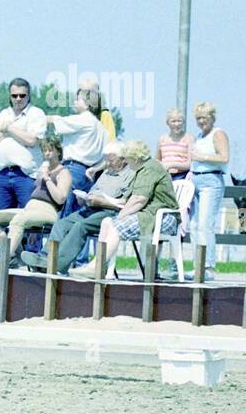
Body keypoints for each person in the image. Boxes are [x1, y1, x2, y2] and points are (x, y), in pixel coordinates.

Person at [70, 141, 179, 278]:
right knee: (107, 222)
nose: (125, 162)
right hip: (148, 213)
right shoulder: (139, 170)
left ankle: (95, 267)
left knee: (117, 225)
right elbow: (128, 199)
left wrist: (122, 214)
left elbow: (139, 199)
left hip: (164, 217)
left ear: (135, 158)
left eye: (126, 158)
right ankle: (99, 267)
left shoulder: (150, 168)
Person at [21, 141, 133, 274]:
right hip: (91, 208)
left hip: (109, 212)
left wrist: (101, 202)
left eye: (111, 160)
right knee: (62, 223)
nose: (108, 164)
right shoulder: (106, 172)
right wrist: (84, 199)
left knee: (80, 226)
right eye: (106, 160)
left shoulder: (130, 174)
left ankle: (58, 264)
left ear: (123, 159)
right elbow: (93, 192)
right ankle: (45, 257)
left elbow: (124, 204)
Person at [0, 77, 47, 261]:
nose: (18, 99)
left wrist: (8, 129)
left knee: (30, 218)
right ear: (9, 96)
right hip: (3, 173)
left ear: (29, 95)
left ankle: (32, 256)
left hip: (26, 175)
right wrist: (12, 130)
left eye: (22, 95)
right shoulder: (4, 113)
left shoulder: (36, 114)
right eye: (14, 95)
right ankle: (1, 257)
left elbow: (31, 140)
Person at [0, 136, 70, 267]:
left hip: (47, 210)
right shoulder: (42, 169)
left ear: (58, 151)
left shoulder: (64, 173)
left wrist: (47, 179)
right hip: (29, 208)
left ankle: (3, 260)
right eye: (44, 151)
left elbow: (61, 198)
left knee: (18, 220)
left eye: (50, 150)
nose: (47, 154)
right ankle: (13, 255)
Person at [47, 82, 107, 216]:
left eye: (78, 99)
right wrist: (94, 169)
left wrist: (37, 118)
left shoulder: (82, 120)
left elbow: (55, 121)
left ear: (87, 104)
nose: (74, 101)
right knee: (77, 215)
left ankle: (57, 237)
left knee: (63, 212)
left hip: (72, 170)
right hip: (88, 175)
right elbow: (105, 159)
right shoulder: (102, 128)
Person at [189, 102, 229, 280]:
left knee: (206, 224)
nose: (201, 121)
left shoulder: (218, 133)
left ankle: (209, 266)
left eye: (204, 118)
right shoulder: (199, 136)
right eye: (198, 118)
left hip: (211, 180)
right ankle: (198, 264)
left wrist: (201, 157)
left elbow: (224, 157)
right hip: (196, 179)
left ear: (212, 117)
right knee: (194, 225)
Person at [156, 109, 194, 182]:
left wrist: (171, 165)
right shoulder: (162, 139)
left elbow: (190, 164)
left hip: (182, 176)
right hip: (164, 176)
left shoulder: (188, 138)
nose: (176, 124)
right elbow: (157, 160)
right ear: (168, 123)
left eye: (179, 121)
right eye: (173, 121)